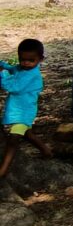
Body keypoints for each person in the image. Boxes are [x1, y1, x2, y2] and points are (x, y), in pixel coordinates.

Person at [0, 39, 51, 178]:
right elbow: (14, 69)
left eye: (31, 60)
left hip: (23, 113)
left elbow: (13, 87)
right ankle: (46, 151)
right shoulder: (22, 69)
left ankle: (2, 172)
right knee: (27, 134)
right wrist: (3, 65)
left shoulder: (32, 75)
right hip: (17, 111)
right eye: (22, 59)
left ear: (40, 59)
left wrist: (2, 74)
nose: (26, 63)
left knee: (13, 140)